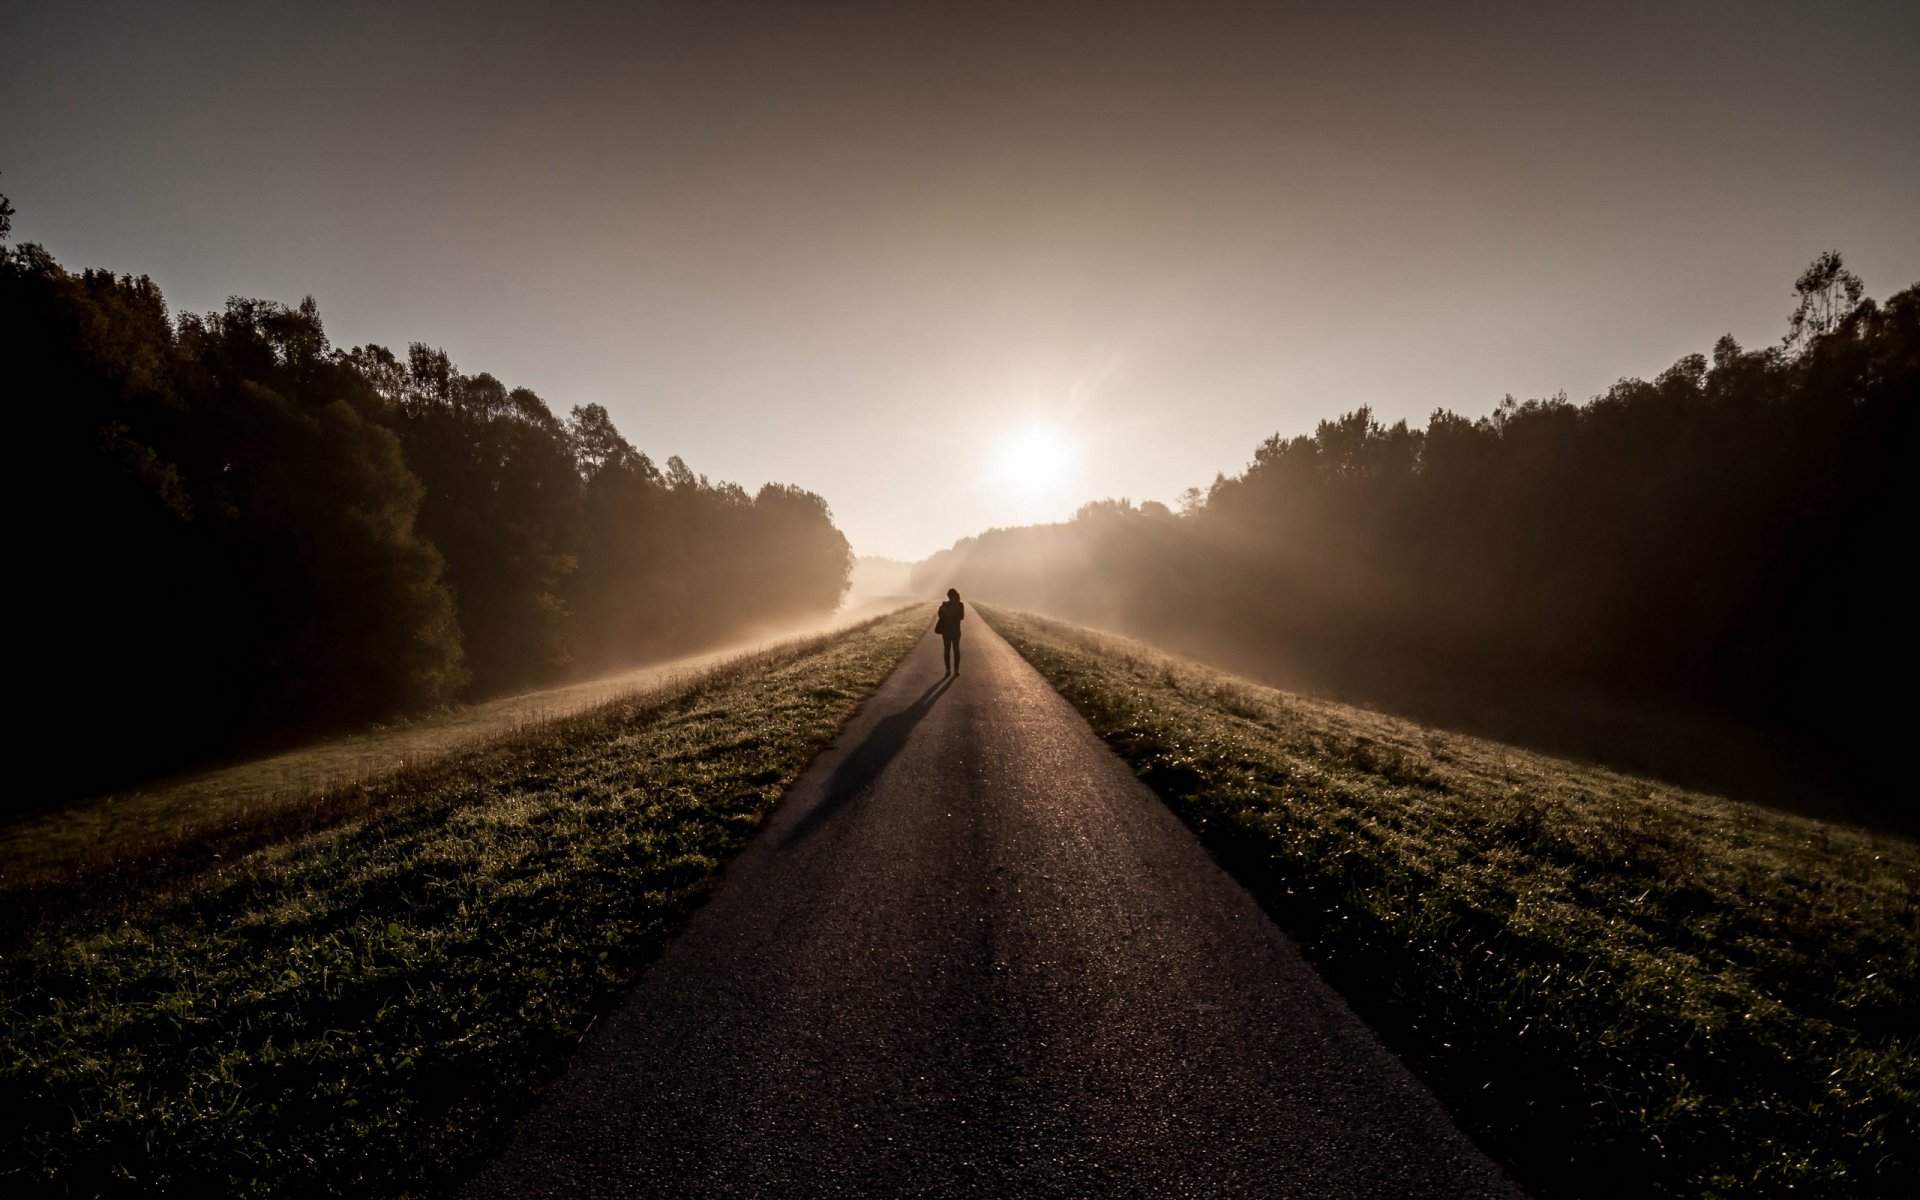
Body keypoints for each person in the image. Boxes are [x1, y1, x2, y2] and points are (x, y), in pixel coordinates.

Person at [935, 588, 965, 675]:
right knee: (947, 650)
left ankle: (956, 670)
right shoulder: (945, 604)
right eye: (949, 596)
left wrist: (948, 613)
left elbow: (961, 616)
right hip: (946, 630)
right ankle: (948, 670)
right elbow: (940, 616)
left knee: (956, 650)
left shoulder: (960, 605)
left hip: (955, 630)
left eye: (951, 596)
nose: (950, 598)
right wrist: (941, 609)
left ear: (955, 596)